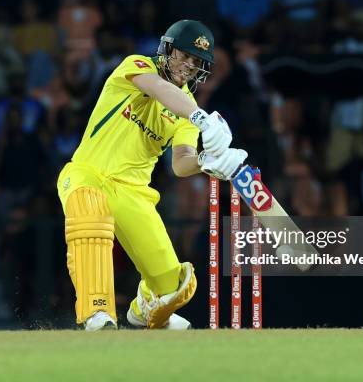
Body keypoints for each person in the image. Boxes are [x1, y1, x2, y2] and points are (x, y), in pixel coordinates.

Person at [56, 19, 247, 330]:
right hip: (87, 174)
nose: (188, 65)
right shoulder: (138, 65)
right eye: (184, 55)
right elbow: (157, 88)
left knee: (176, 287)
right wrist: (200, 117)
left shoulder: (187, 111)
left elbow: (180, 163)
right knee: (90, 213)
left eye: (196, 61)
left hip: (134, 193)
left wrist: (207, 161)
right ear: (167, 50)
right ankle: (97, 312)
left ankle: (145, 306)